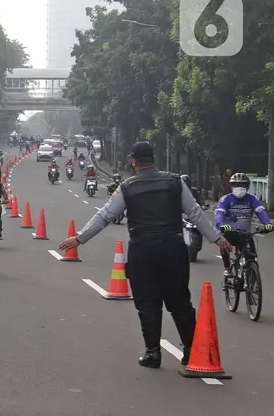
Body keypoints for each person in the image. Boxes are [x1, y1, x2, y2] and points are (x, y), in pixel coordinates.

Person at [58, 142, 232, 370]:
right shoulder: (175, 182)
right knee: (179, 301)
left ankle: (153, 353)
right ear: (154, 159)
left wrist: (79, 239)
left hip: (143, 249)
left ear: (133, 161)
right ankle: (191, 352)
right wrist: (217, 239)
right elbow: (196, 213)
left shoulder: (127, 187)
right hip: (173, 246)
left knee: (147, 302)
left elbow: (105, 216)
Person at [215, 173, 273, 286]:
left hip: (245, 234)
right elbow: (219, 214)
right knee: (223, 242)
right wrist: (221, 225)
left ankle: (251, 275)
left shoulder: (252, 199)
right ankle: (227, 268)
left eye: (242, 185)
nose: (239, 187)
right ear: (231, 186)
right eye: (236, 185)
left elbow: (260, 211)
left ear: (247, 186)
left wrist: (267, 224)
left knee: (251, 257)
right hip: (230, 232)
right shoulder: (225, 199)